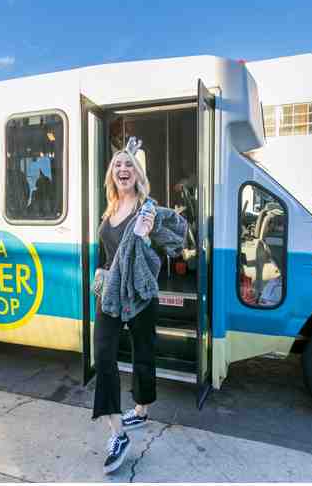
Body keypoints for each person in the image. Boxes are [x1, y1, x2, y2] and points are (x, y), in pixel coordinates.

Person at [93, 144, 187, 474]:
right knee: (103, 355)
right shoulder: (110, 208)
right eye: (118, 164)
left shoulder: (147, 209)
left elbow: (170, 247)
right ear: (112, 174)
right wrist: (100, 271)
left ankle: (141, 410)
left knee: (143, 351)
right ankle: (118, 434)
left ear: (137, 173)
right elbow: (109, 252)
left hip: (139, 294)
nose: (123, 169)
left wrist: (146, 238)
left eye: (129, 165)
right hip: (110, 292)